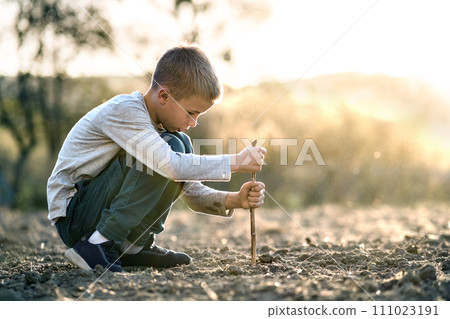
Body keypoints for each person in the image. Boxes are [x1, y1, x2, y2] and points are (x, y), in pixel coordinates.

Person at [47, 43, 266, 272]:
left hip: (94, 210)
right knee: (168, 151)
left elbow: (189, 190)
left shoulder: (164, 132)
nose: (193, 122)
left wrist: (234, 199)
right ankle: (98, 244)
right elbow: (171, 166)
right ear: (164, 95)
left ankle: (133, 246)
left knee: (178, 143)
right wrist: (236, 161)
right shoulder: (126, 111)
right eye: (191, 113)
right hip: (76, 217)